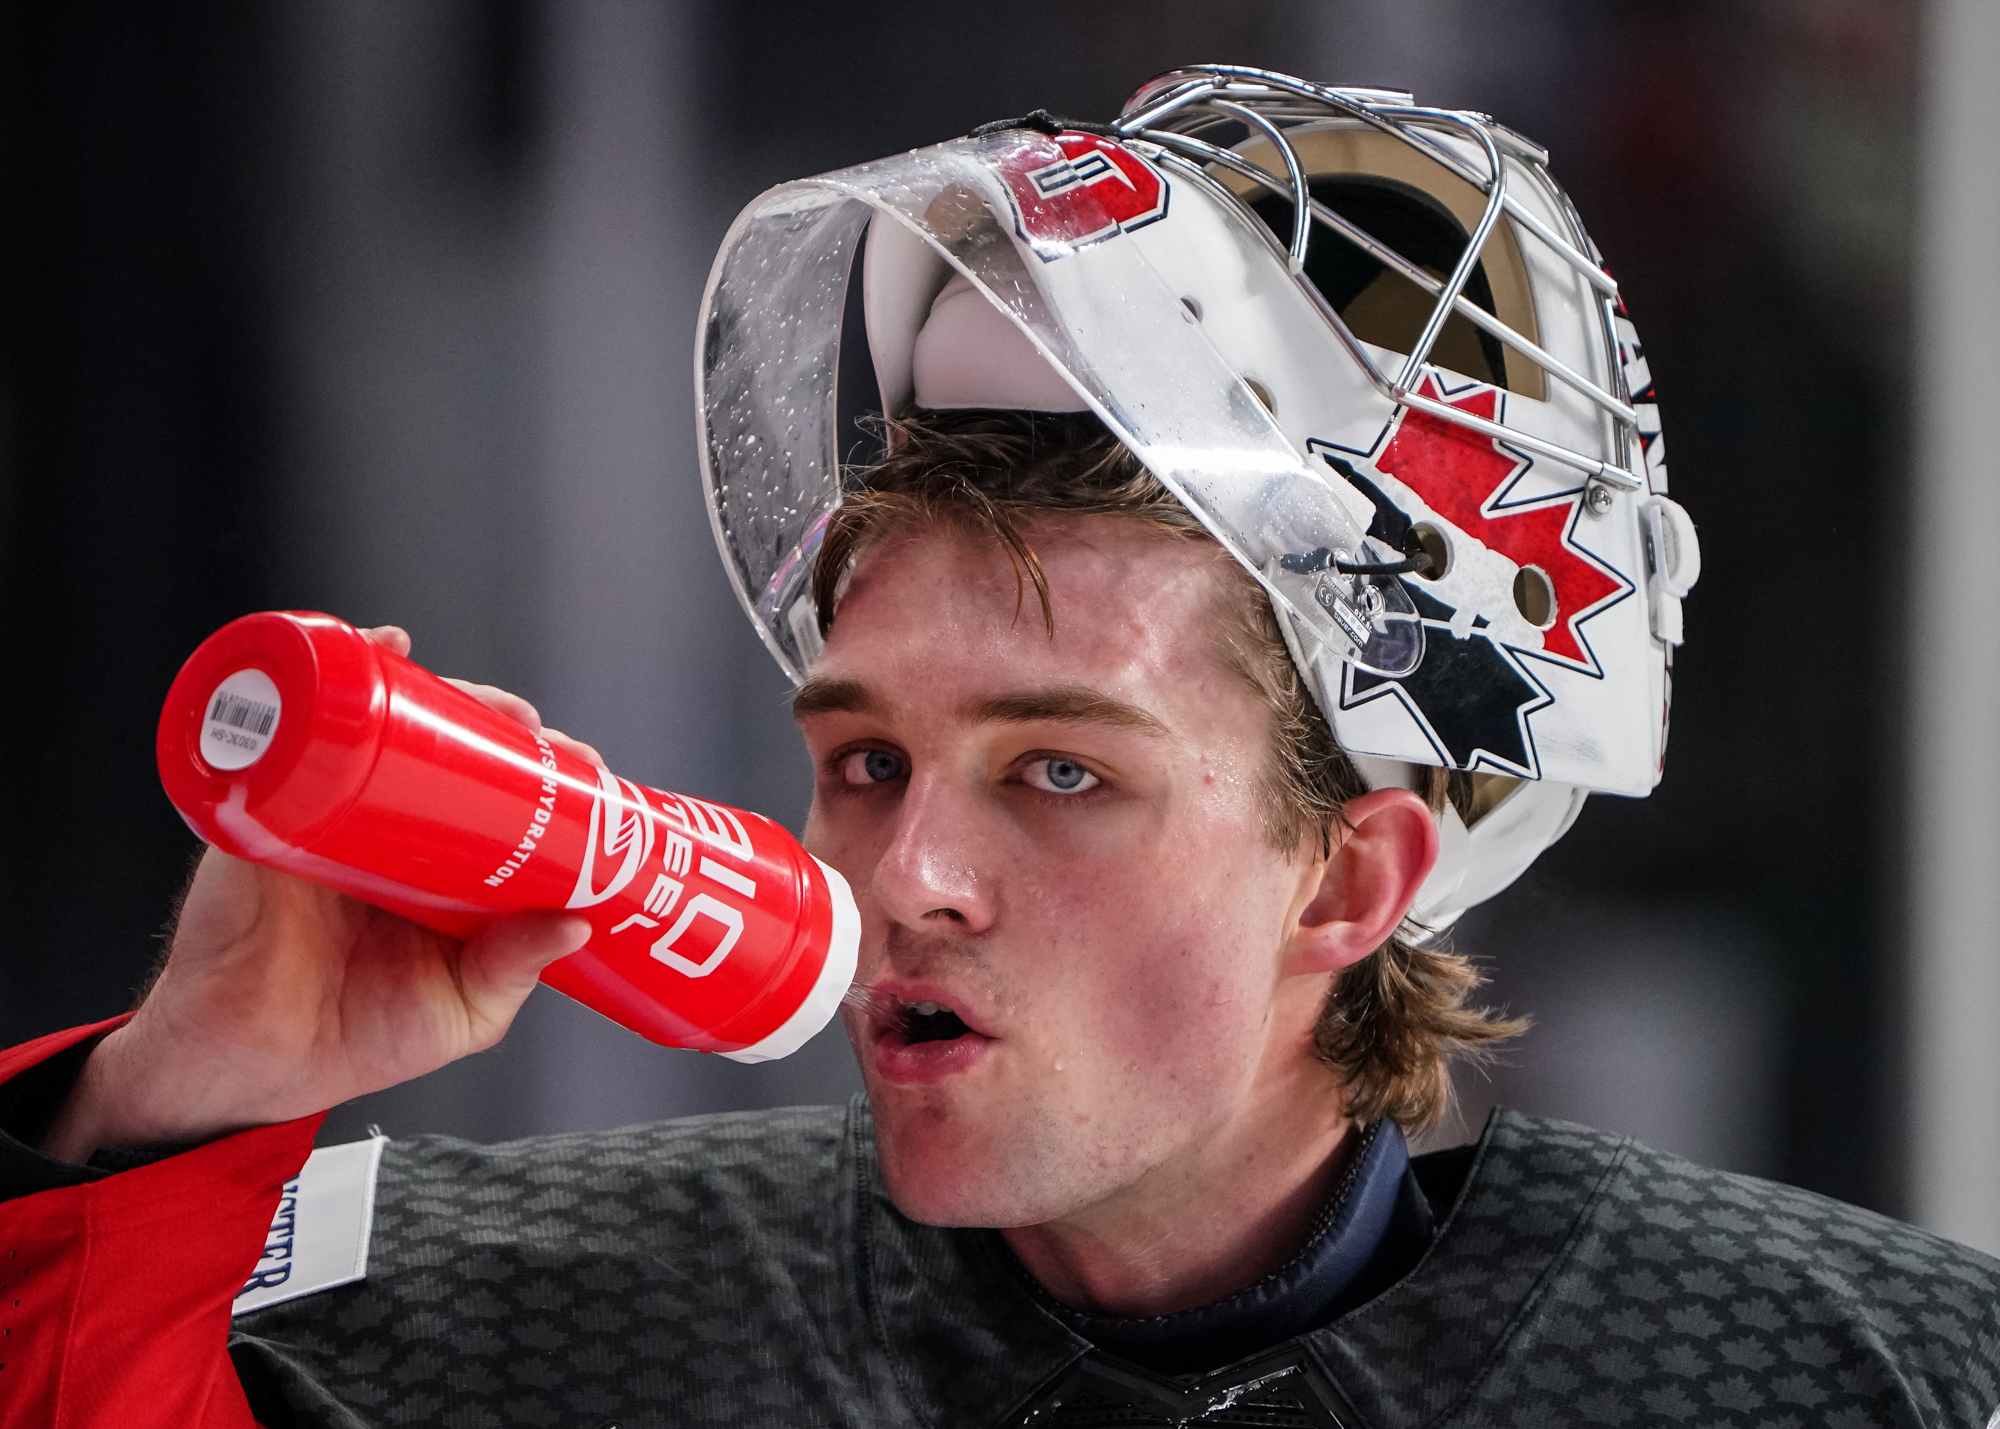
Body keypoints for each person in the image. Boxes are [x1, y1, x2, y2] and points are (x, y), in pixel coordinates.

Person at [3, 67, 1995, 1429]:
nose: (902, 877)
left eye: (1059, 771)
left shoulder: (1862, 1374)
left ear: (1353, 873)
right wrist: (166, 1117)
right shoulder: (482, 1333)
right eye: (865, 756)